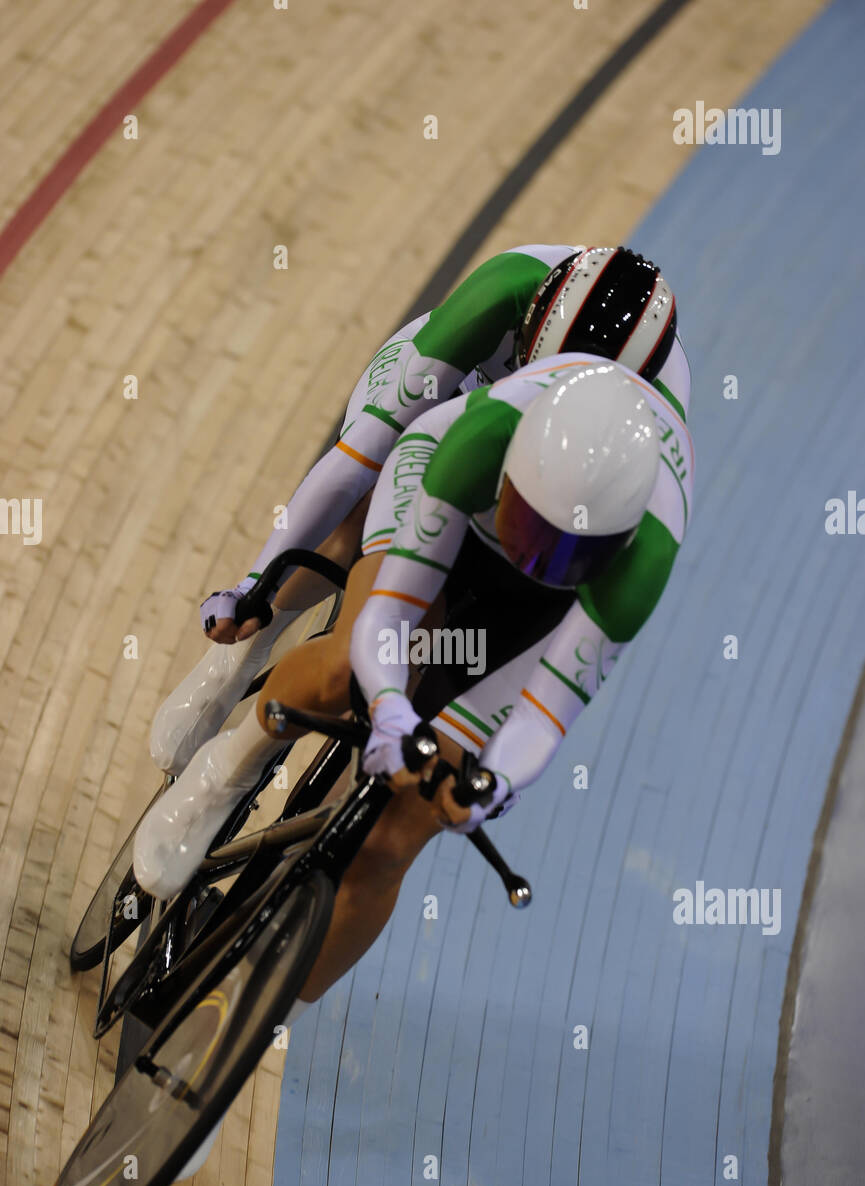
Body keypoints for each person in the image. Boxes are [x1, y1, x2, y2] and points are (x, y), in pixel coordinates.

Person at [135, 354, 694, 996]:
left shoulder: (644, 557)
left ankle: (245, 1013)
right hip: (455, 512)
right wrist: (393, 708)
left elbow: (544, 713)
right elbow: (384, 625)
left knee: (404, 829)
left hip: (540, 608)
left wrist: (493, 783)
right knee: (353, 666)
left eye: (560, 549)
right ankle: (225, 770)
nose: (534, 555)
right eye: (531, 529)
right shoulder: (473, 440)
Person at [151, 244, 689, 775]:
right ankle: (247, 647)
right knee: (363, 510)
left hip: (546, 480)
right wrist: (250, 586)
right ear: (531, 323)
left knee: (418, 728)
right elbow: (354, 460)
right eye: (533, 367)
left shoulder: (651, 429)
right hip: (452, 407)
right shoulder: (506, 288)